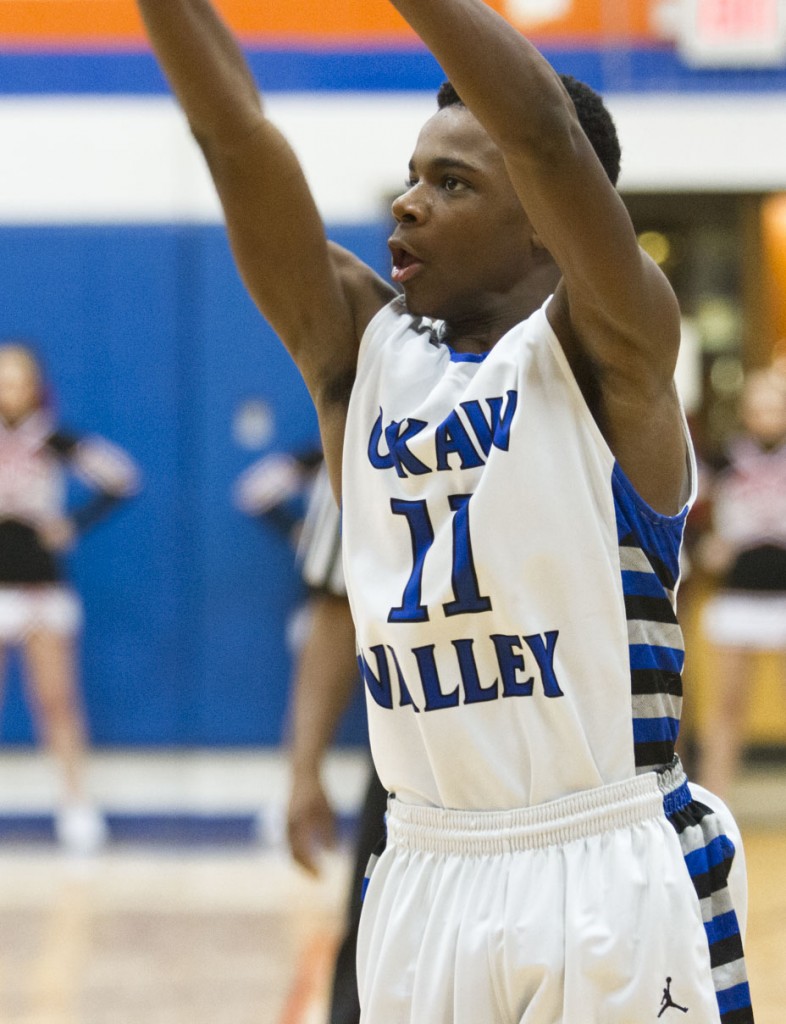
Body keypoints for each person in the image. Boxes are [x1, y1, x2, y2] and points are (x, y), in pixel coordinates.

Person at [134, 1, 754, 1019]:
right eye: (412, 178)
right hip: (424, 866)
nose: (406, 207)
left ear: (549, 221)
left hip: (607, 863)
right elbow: (234, 134)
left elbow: (547, 134)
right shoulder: (359, 354)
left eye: (452, 182)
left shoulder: (612, 355)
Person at [0, 342, 139, 853]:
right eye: (2, 379)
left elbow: (122, 477)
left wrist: (73, 523)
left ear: (35, 387)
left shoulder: (53, 439)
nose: (8, 390)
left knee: (55, 700)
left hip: (40, 582)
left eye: (17, 380)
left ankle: (75, 802)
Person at [285, 461, 387, 1024]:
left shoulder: (577, 400)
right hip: (415, 776)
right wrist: (304, 771)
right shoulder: (365, 417)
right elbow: (334, 609)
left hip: (563, 771)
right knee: (372, 971)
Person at [697, 367, 786, 798]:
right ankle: (716, 800)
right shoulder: (725, 458)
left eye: (776, 405)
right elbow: (679, 505)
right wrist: (704, 546)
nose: (768, 413)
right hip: (738, 595)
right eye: (760, 405)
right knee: (727, 708)